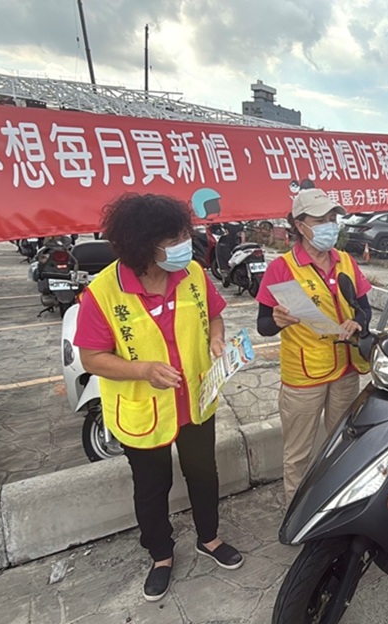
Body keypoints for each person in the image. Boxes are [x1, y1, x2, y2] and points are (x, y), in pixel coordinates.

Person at [75, 194, 243, 603]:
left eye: (185, 234)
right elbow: (91, 358)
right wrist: (144, 370)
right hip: (143, 409)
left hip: (196, 400)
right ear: (142, 245)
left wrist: (217, 338)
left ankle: (210, 537)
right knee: (152, 486)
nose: (186, 243)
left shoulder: (194, 274)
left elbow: (215, 315)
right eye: (174, 238)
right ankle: (161, 555)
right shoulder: (103, 293)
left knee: (203, 473)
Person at [256, 188, 372, 504]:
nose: (329, 225)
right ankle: (297, 511)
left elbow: (364, 307)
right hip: (304, 375)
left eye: (333, 219)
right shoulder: (281, 268)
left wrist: (358, 322)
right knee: (298, 452)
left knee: (341, 442)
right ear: (300, 224)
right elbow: (263, 325)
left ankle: (337, 503)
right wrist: (277, 321)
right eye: (321, 220)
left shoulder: (346, 260)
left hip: (346, 370)